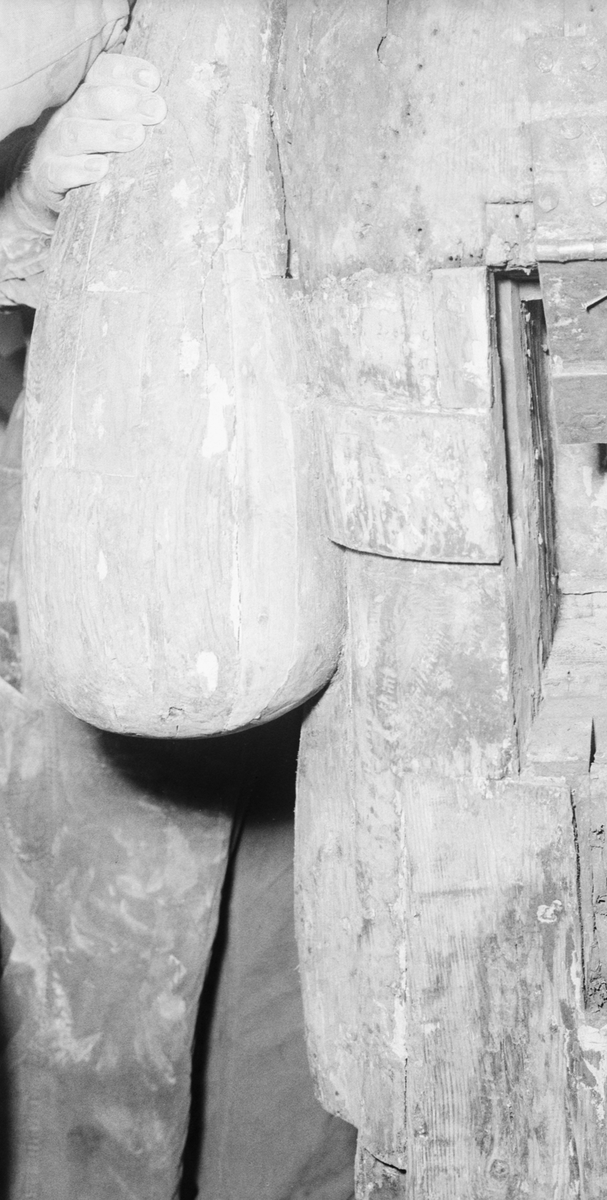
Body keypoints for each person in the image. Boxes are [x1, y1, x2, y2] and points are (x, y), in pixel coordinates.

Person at [0, 7, 356, 1197]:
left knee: (301, 1025)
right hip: (124, 535)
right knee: (92, 1043)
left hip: (370, 560)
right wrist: (30, 210)